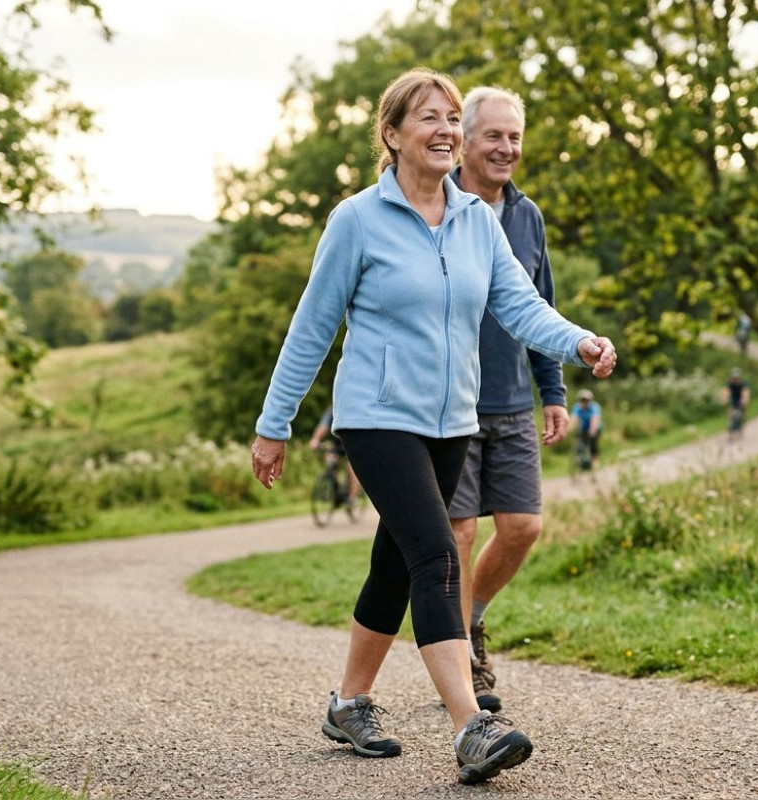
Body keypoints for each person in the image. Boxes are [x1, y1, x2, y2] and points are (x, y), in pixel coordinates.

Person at [249, 67, 617, 786]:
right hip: (378, 417)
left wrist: (577, 341)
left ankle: (349, 703)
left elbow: (520, 306)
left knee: (396, 562)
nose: (447, 129)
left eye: (453, 117)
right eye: (429, 118)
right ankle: (470, 726)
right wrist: (275, 424)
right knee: (438, 556)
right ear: (392, 135)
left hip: (454, 420)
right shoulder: (357, 220)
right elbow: (312, 328)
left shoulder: (478, 220)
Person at [446, 86, 566, 714]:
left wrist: (553, 390)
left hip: (514, 400)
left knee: (522, 527)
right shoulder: (438, 208)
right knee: (459, 533)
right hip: (453, 403)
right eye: (493, 135)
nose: (506, 148)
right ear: (463, 140)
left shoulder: (527, 216)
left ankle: (472, 618)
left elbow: (536, 308)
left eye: (514, 136)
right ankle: (461, 657)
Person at [308, 406, 360, 506]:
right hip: (337, 444)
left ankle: (352, 498)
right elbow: (323, 426)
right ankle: (337, 488)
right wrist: (315, 439)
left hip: (351, 442)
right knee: (330, 462)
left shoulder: (352, 408)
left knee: (351, 468)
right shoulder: (332, 410)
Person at [572, 389, 602, 470]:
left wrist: (592, 430)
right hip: (584, 428)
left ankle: (594, 460)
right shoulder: (577, 407)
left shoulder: (594, 407)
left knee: (593, 442)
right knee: (580, 444)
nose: (584, 402)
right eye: (582, 400)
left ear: (589, 401)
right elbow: (573, 419)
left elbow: (594, 419)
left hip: (595, 428)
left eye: (586, 400)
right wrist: (568, 430)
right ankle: (579, 461)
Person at [723, 367, 750, 441]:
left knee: (742, 412)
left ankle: (742, 423)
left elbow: (745, 393)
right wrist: (725, 400)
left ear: (740, 377)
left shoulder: (743, 383)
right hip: (733, 400)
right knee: (731, 415)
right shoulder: (729, 383)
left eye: (737, 377)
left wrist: (744, 401)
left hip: (740, 399)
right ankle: (730, 433)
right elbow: (726, 392)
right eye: (734, 378)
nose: (735, 379)